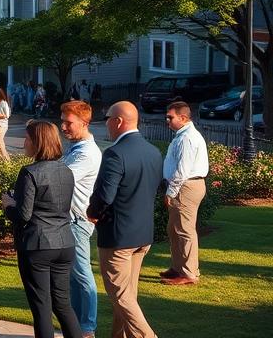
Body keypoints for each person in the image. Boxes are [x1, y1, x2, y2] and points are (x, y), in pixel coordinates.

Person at [87, 102, 162, 338]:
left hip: (118, 238)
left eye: (107, 118)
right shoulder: (153, 151)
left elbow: (105, 196)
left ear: (118, 121)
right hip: (142, 236)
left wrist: (93, 212)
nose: (106, 123)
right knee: (128, 296)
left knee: (122, 297)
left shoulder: (115, 153)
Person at [1, 120, 82, 338]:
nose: (24, 142)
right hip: (65, 242)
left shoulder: (30, 172)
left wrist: (8, 205)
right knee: (63, 304)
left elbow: (23, 215)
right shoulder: (66, 171)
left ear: (37, 142)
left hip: (38, 245)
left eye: (27, 138)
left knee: (42, 307)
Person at [60, 100, 102, 338]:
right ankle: (77, 326)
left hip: (77, 221)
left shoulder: (86, 153)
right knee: (74, 277)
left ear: (84, 123)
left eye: (69, 123)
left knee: (82, 274)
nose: (64, 127)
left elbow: (60, 179)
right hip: (71, 220)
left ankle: (87, 329)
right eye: (62, 121)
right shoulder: (75, 148)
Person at [161, 101, 209, 286]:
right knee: (173, 229)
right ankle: (178, 267)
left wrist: (171, 192)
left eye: (170, 117)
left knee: (184, 230)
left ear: (183, 118)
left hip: (186, 187)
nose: (167, 120)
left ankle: (189, 273)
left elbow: (183, 169)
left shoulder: (187, 138)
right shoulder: (182, 135)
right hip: (184, 186)